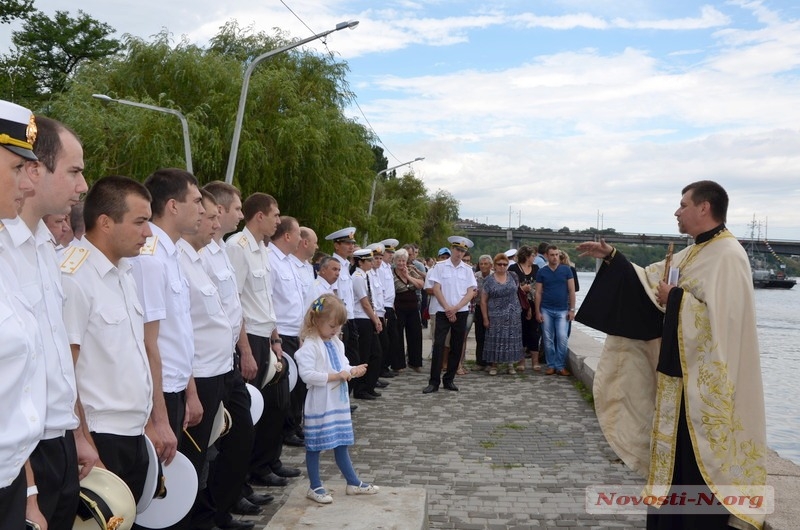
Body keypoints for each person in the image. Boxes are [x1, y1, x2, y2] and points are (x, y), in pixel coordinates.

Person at [576, 181, 767, 530]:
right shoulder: (692, 252)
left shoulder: (729, 255)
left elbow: (722, 322)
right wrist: (614, 259)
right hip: (675, 382)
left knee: (696, 466)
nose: (677, 212)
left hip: (702, 390)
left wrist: (676, 298)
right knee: (672, 467)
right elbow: (649, 284)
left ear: (704, 208)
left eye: (682, 205)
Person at [0, 116, 98, 530]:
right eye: (74, 172)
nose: (83, 186)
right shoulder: (8, 249)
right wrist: (29, 487)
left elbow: (54, 358)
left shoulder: (44, 246)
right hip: (22, 456)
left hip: (54, 442)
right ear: (36, 171)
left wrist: (75, 432)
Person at [61, 176, 154, 504]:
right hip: (100, 437)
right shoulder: (75, 277)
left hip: (133, 432)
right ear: (104, 222)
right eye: (140, 222)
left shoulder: (124, 273)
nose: (148, 233)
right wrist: (82, 439)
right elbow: (65, 372)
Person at [199, 181, 268, 528]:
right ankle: (213, 513)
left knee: (241, 433)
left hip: (226, 360)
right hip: (205, 366)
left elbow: (233, 307)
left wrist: (243, 350)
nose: (240, 215)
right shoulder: (202, 253)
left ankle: (222, 507)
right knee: (211, 447)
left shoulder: (220, 251)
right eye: (237, 209)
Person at [130, 168, 204, 474]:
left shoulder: (170, 254)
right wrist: (159, 417)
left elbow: (178, 335)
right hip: (159, 393)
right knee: (158, 491)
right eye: (197, 201)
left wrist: (190, 392)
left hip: (174, 387)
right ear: (173, 205)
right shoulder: (150, 258)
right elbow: (148, 343)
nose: (202, 209)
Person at [225, 193, 292, 491]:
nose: (278, 221)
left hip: (265, 335)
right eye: (275, 215)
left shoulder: (262, 249)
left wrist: (275, 337)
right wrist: (245, 350)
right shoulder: (237, 248)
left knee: (275, 407)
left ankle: (265, 464)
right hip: (248, 337)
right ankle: (245, 478)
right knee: (251, 413)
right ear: (260, 216)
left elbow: (266, 299)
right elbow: (235, 301)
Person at [0, 99, 46, 529]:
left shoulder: (5, 256)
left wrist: (29, 491)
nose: (28, 185)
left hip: (11, 478)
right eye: (17, 168)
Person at [294, 294, 378, 504]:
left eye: (338, 326)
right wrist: (336, 376)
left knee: (341, 442)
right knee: (315, 446)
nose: (335, 330)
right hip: (320, 403)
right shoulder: (310, 346)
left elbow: (343, 366)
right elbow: (308, 375)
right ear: (316, 322)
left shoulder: (336, 343)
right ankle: (314, 486)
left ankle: (353, 482)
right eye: (332, 326)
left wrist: (353, 370)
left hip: (338, 403)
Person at [268, 216, 309, 451]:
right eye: (297, 235)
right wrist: (276, 338)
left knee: (294, 388)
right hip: (280, 335)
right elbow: (269, 302)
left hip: (294, 332)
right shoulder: (271, 259)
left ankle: (290, 429)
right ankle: (285, 432)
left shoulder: (288, 262)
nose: (300, 240)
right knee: (282, 395)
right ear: (287, 236)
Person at [422, 236, 477, 394]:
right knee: (439, 345)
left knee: (457, 346)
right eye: (457, 249)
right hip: (442, 311)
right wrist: (447, 308)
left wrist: (456, 308)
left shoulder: (467, 270)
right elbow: (436, 289)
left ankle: (449, 379)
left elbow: (470, 292)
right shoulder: (440, 267)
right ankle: (433, 382)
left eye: (462, 251)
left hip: (460, 312)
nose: (459, 253)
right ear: (452, 249)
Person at [480, 253, 525, 375]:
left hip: (513, 314)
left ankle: (510, 365)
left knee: (511, 339)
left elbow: (518, 292)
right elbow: (483, 301)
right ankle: (494, 365)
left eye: (505, 264)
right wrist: (485, 318)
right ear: (494, 265)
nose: (502, 266)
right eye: (499, 264)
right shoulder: (488, 280)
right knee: (495, 339)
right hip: (495, 315)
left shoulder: (513, 276)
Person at [534, 244, 575, 376]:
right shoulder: (542, 272)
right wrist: (537, 311)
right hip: (546, 309)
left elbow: (571, 291)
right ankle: (551, 365)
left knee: (562, 337)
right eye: (552, 255)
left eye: (557, 254)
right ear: (547, 256)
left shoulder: (566, 270)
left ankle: (560, 365)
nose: (555, 257)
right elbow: (538, 293)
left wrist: (572, 309)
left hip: (563, 309)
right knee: (548, 338)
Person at [350, 248, 383, 400]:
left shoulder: (365, 276)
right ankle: (360, 388)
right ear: (360, 262)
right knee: (365, 355)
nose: (371, 262)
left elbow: (370, 301)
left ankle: (369, 385)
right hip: (361, 319)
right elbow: (364, 303)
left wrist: (375, 318)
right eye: (368, 260)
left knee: (375, 354)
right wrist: (375, 319)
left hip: (368, 318)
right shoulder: (357, 277)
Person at [392, 248, 425, 372]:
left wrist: (407, 276)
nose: (401, 263)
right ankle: (398, 364)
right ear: (395, 261)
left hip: (412, 305)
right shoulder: (391, 273)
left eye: (403, 261)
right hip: (399, 305)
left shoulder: (411, 270)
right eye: (399, 261)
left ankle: (415, 362)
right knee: (398, 335)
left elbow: (420, 284)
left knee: (415, 334)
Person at [508, 245, 539, 371]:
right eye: (533, 255)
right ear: (527, 256)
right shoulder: (513, 268)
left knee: (534, 332)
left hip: (533, 303)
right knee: (520, 332)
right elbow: (508, 287)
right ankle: (521, 362)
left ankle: (535, 362)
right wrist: (521, 289)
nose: (534, 258)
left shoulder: (536, 268)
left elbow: (540, 287)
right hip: (518, 305)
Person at [471, 254, 493, 371]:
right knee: (479, 336)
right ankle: (480, 362)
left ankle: (490, 363)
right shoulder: (475, 276)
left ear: (490, 265)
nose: (483, 266)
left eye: (486, 264)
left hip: (492, 309)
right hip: (479, 307)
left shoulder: (494, 276)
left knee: (490, 336)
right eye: (481, 264)